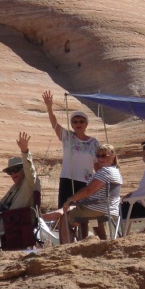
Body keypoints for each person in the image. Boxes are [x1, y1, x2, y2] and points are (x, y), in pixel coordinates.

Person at [42, 90, 99, 236]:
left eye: (81, 121)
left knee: (83, 213)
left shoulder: (94, 143)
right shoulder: (67, 137)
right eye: (75, 121)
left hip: (85, 182)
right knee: (64, 211)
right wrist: (49, 107)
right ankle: (65, 241)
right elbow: (54, 124)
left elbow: (97, 164)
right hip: (68, 179)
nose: (78, 124)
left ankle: (84, 239)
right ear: (72, 124)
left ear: (86, 124)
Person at [43, 143, 123, 244]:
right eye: (98, 155)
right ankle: (61, 211)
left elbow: (88, 190)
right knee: (81, 211)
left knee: (66, 218)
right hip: (110, 209)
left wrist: (70, 199)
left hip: (96, 208)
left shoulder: (105, 172)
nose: (100, 158)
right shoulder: (116, 172)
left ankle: (65, 247)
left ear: (112, 157)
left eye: (103, 156)